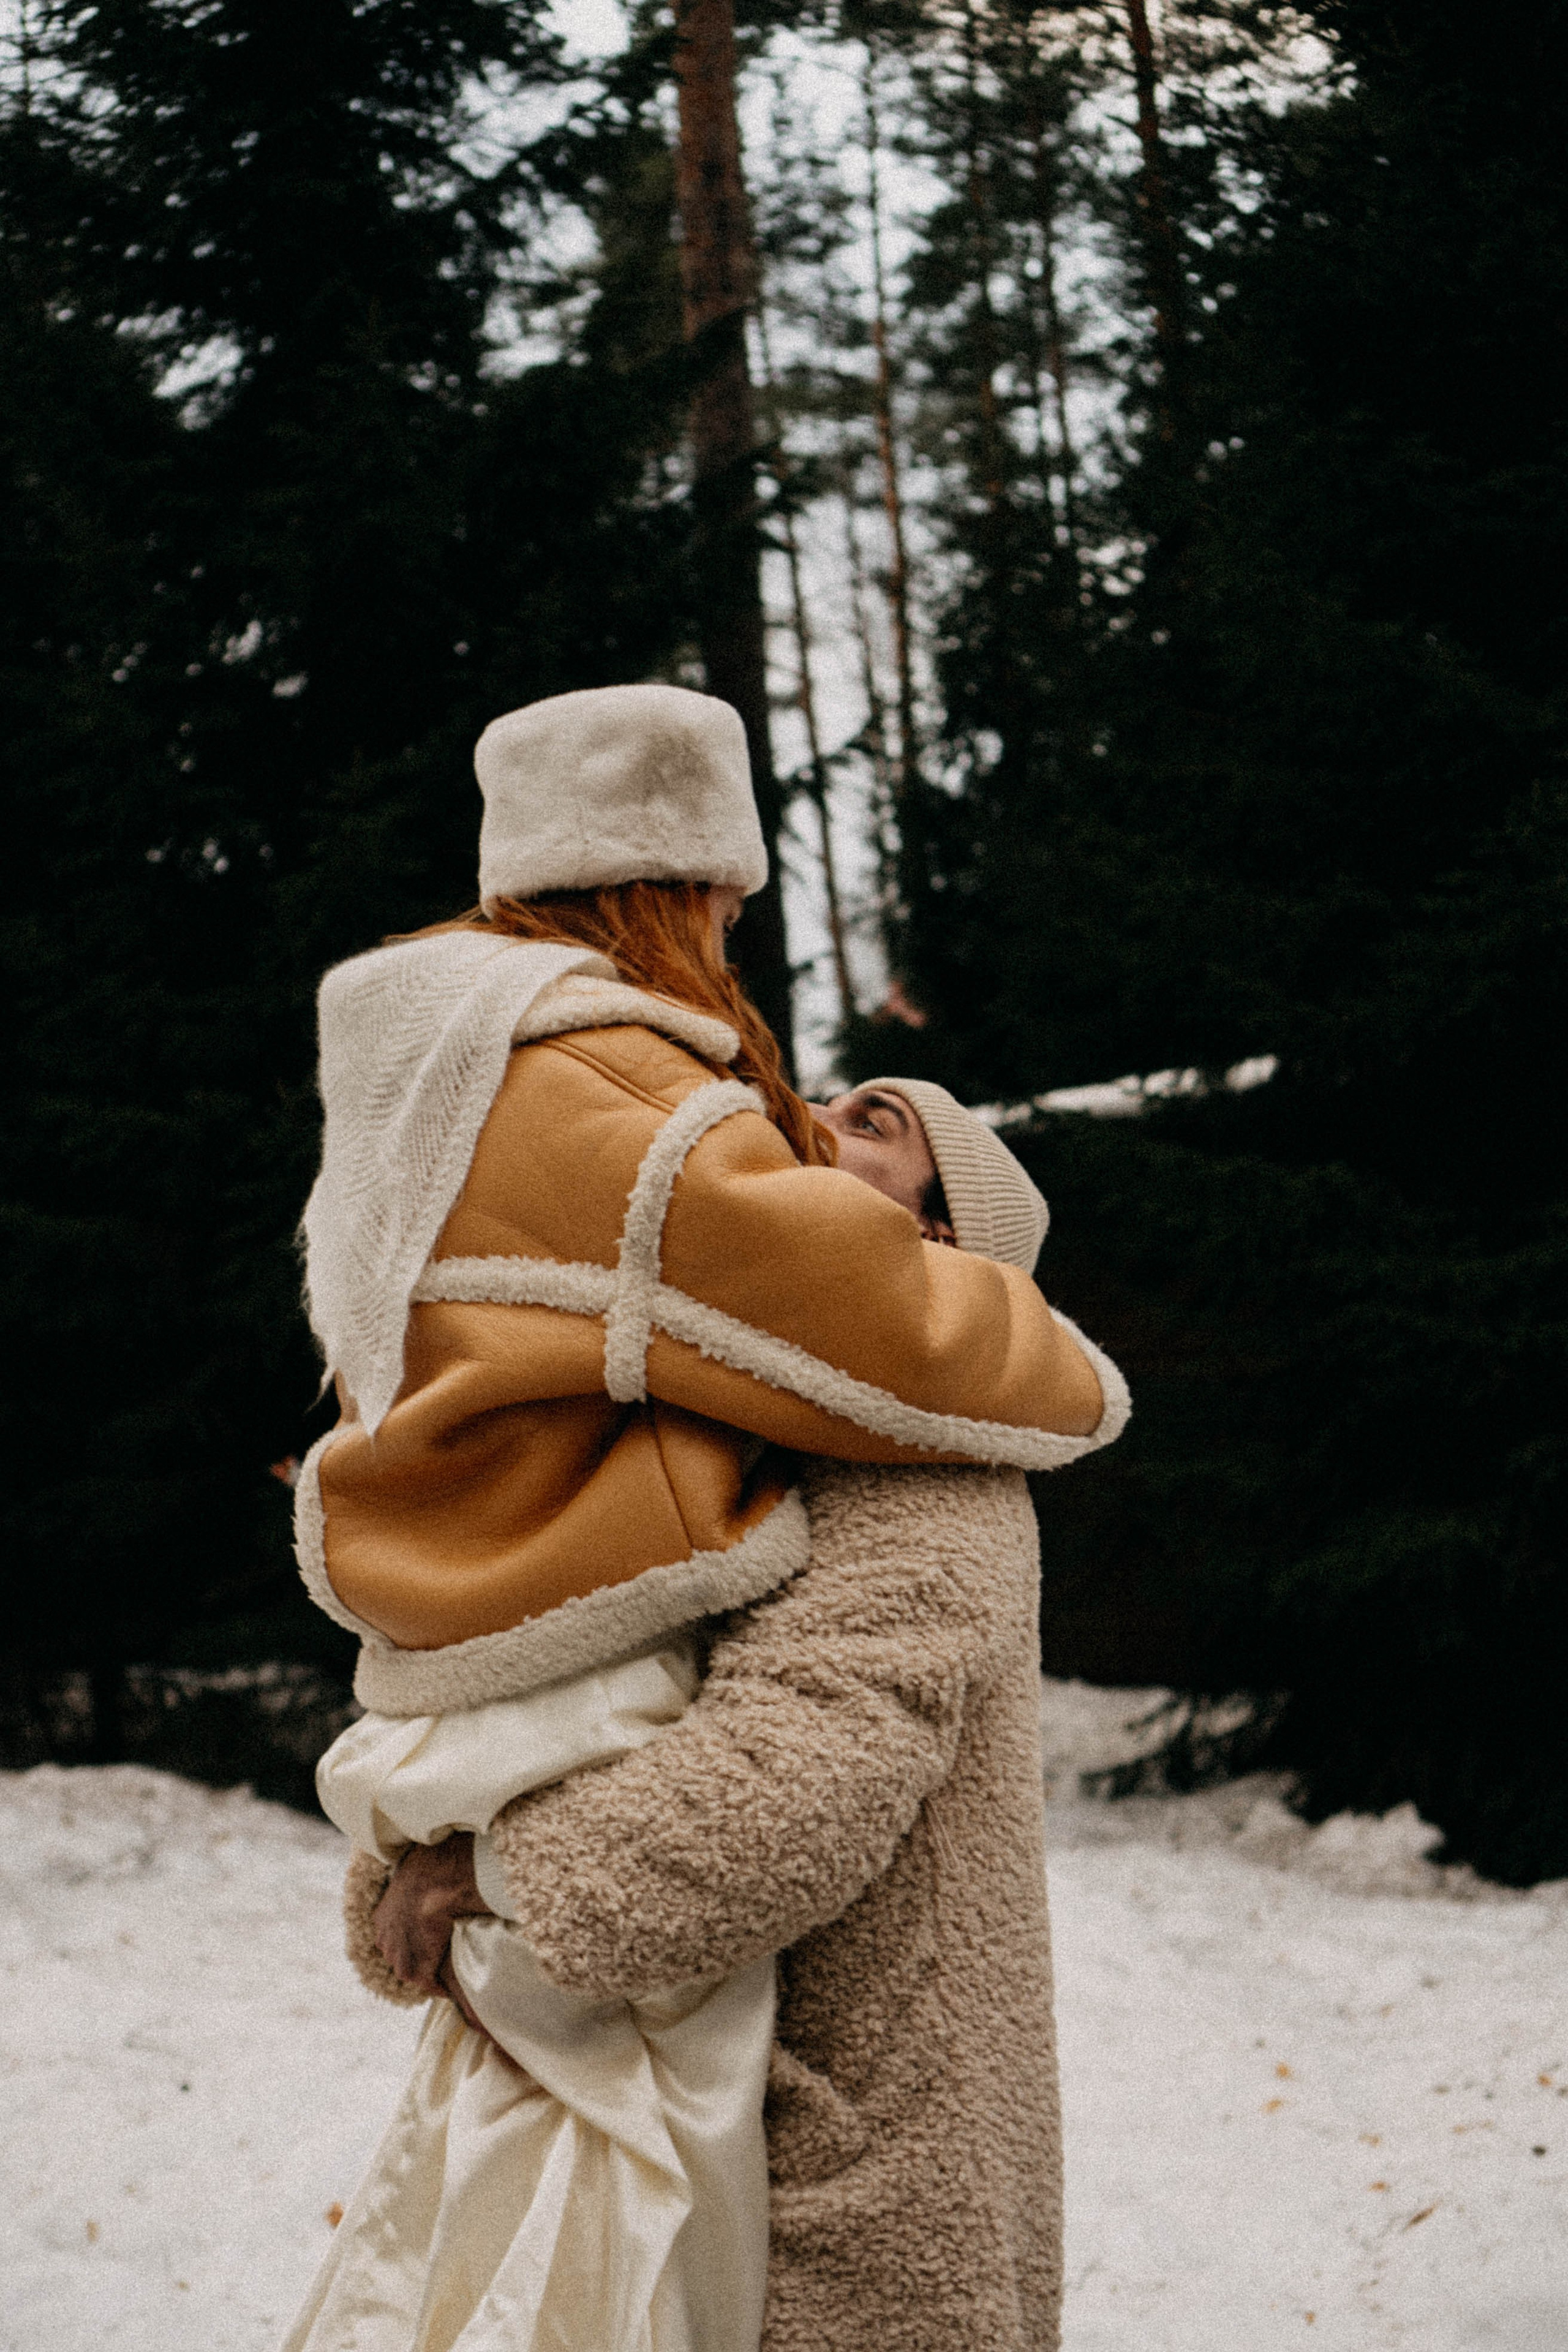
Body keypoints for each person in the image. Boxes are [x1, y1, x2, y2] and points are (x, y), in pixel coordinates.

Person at [285, 682, 1128, 2352]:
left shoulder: (933, 1469)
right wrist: (444, 1858)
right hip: (723, 2104)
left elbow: (799, 1775)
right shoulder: (752, 1380)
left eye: (877, 1137)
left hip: (865, 2178)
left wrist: (483, 1873)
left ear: (942, 1245)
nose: (816, 1127)